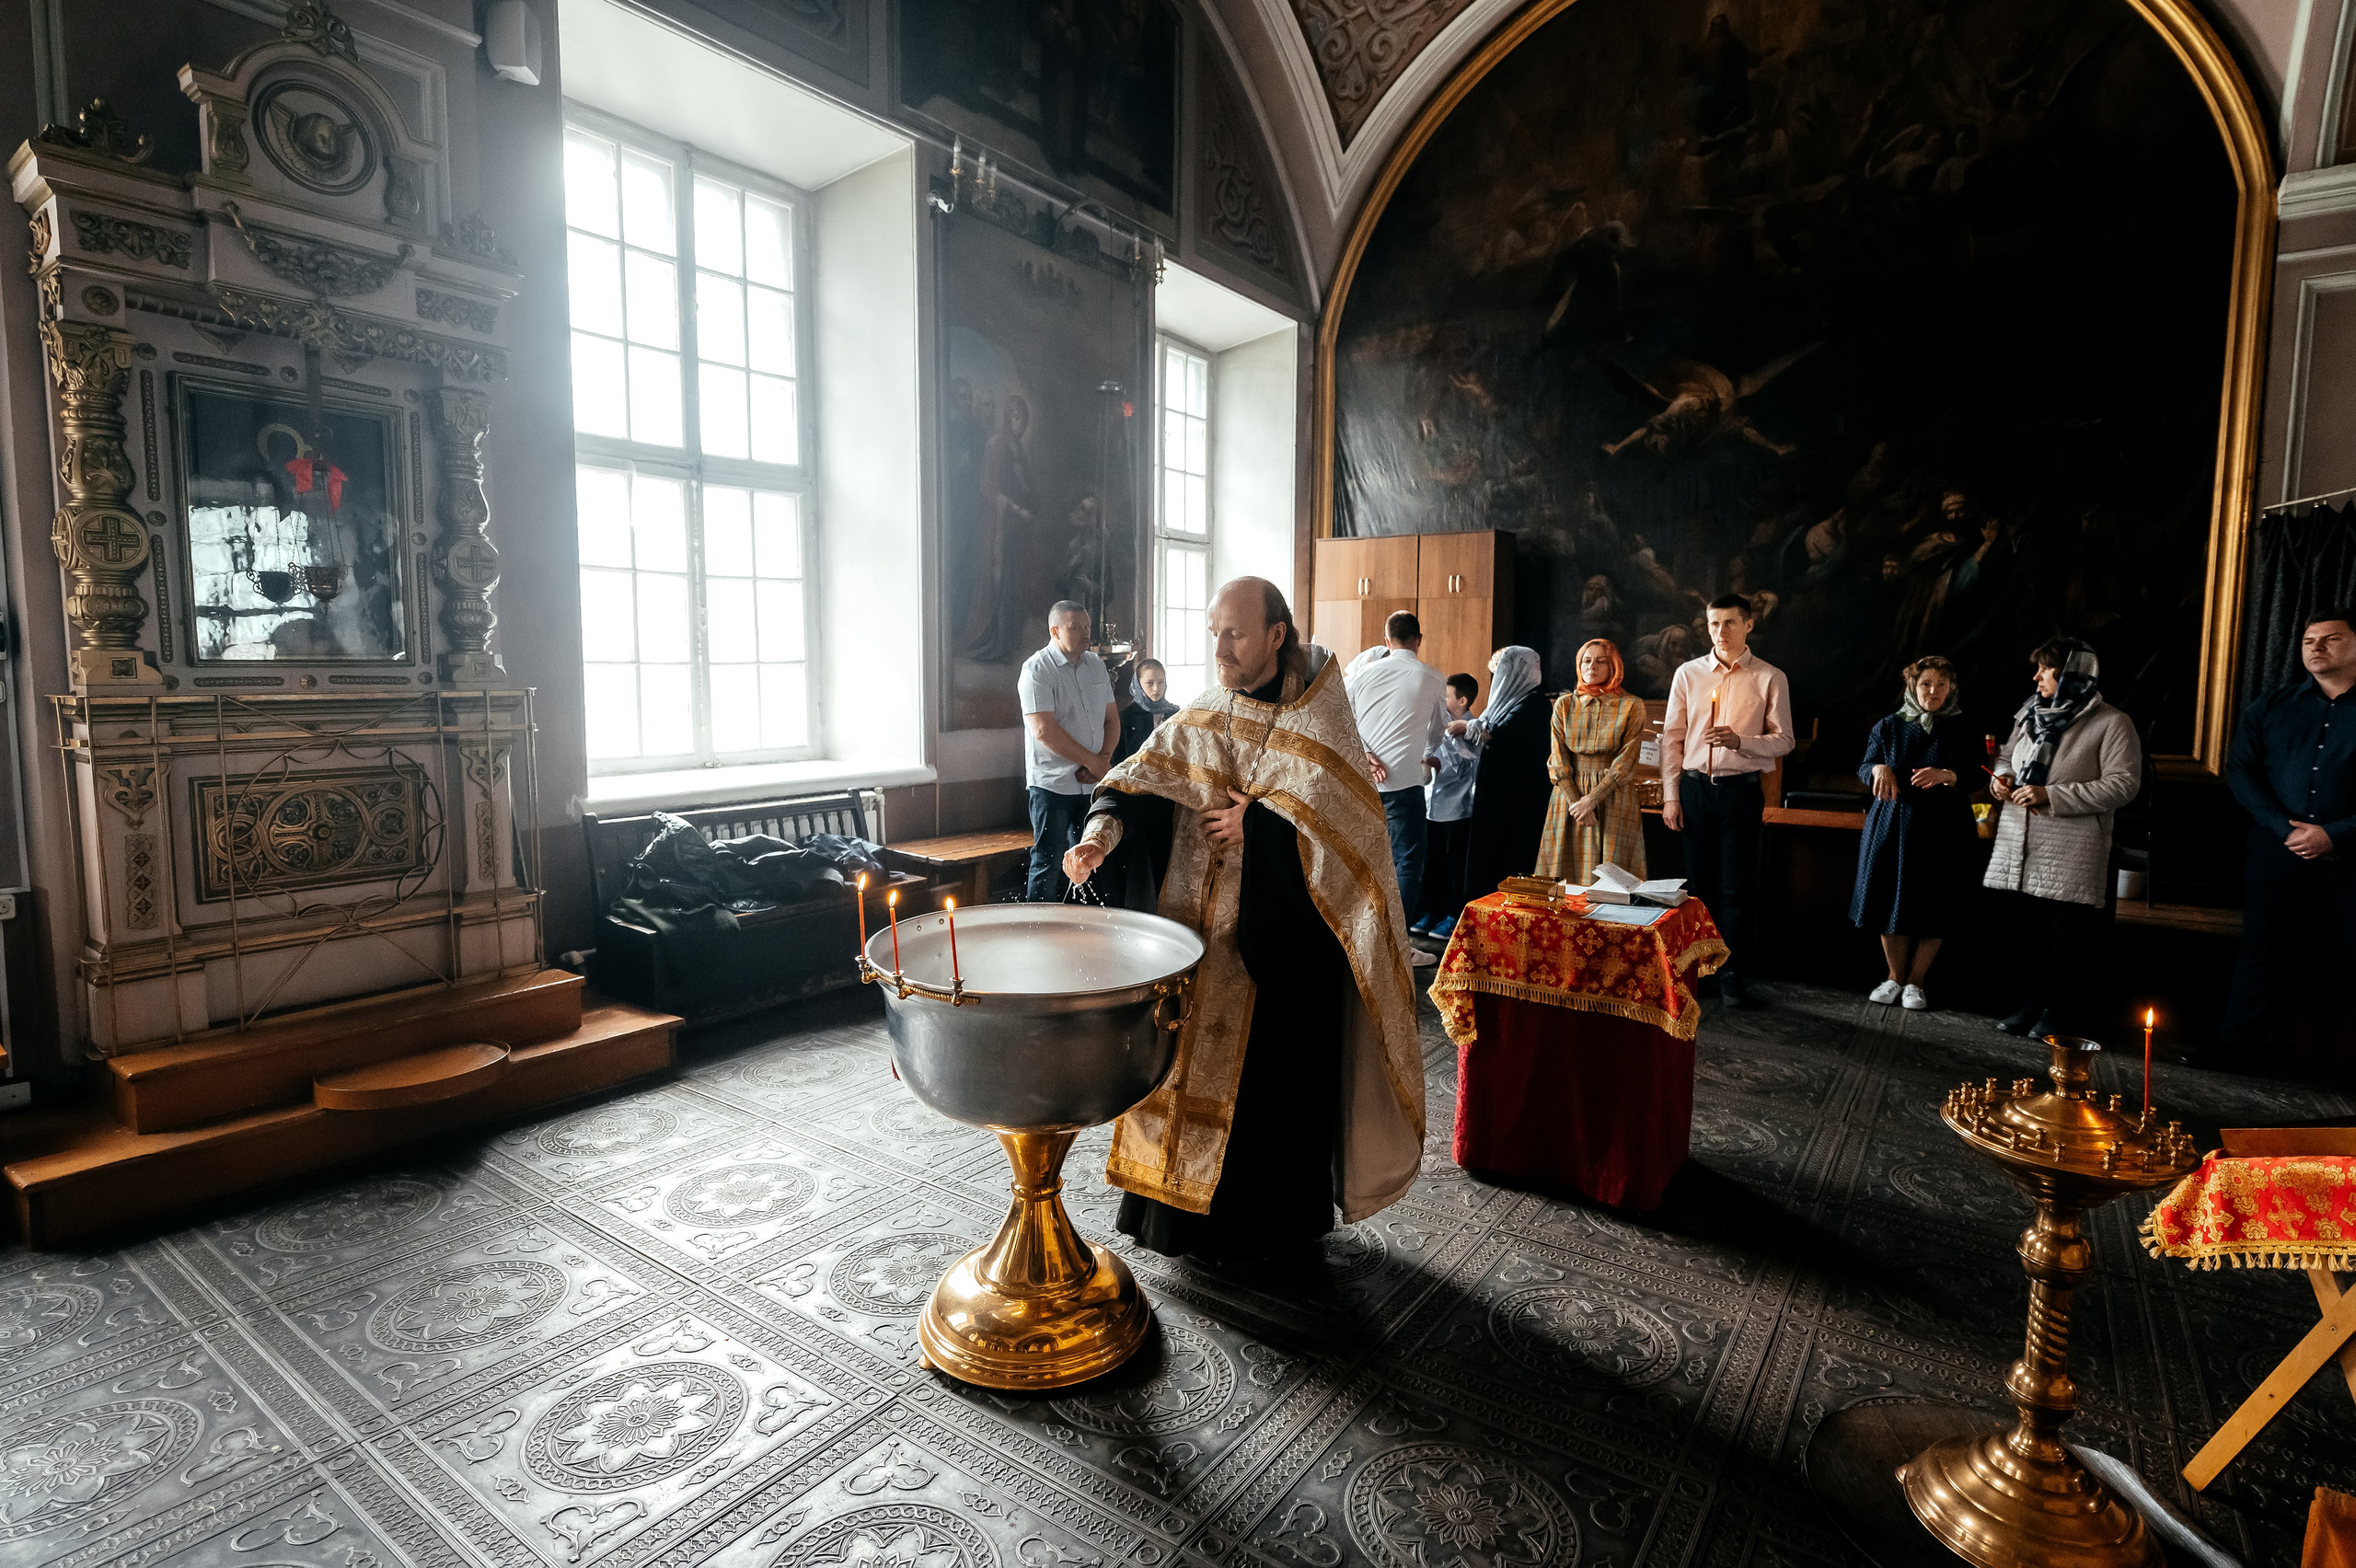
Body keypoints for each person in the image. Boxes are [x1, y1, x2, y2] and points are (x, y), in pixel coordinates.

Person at [1062, 578, 1425, 1267]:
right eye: (1213, 632)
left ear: (1276, 635)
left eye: (1233, 633)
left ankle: (1262, 1233)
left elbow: (1352, 838)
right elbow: (1138, 784)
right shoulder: (1206, 708)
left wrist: (1257, 827)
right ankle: (1173, 1221)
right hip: (1194, 950)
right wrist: (1100, 837)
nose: (1219, 648)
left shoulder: (1323, 724)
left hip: (1275, 953)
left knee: (1269, 1098)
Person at [1982, 637, 2142, 1037]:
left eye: (2045, 669)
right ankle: (2030, 1007)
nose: (2036, 676)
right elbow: (2006, 756)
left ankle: (2059, 1013)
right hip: (2019, 842)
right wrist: (2002, 780)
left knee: (2065, 939)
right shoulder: (2028, 714)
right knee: (2027, 935)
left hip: (2071, 848)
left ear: (2072, 674)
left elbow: (2124, 785)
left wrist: (2050, 795)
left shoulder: (2112, 722)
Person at [2216, 607, 2356, 1063]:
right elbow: (2240, 769)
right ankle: (2237, 1051)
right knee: (2260, 949)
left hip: (2352, 853)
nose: (2315, 647)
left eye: (2330, 639)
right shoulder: (2272, 705)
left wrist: (2334, 834)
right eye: (2308, 641)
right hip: (2277, 848)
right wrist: (2284, 827)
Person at [1660, 594, 1793, 1008]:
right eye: (1714, 624)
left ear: (1748, 625)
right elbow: (1672, 738)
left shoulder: (1770, 677)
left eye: (1730, 623)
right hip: (1696, 789)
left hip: (1740, 791)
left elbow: (1784, 740)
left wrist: (1741, 741)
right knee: (1698, 889)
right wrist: (1671, 796)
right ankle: (1698, 971)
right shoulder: (1689, 673)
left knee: (1735, 889)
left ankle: (1732, 973)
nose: (1720, 631)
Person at [1850, 655, 1978, 1010]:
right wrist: (1877, 769)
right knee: (1892, 897)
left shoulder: (1963, 726)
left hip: (1945, 827)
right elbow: (1863, 765)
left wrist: (1947, 775)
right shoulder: (1889, 725)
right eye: (1925, 684)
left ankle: (1916, 982)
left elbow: (1977, 774)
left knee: (1937, 899)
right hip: (1893, 824)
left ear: (1951, 687)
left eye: (1941, 684)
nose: (1933, 691)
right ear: (1912, 686)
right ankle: (1893, 977)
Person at [1345, 611, 1449, 966]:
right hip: (1404, 784)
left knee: (1363, 860)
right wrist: (1428, 753)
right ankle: (1395, 945)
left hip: (1361, 781)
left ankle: (1360, 938)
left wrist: (1366, 751)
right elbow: (1438, 732)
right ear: (1418, 639)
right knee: (1406, 862)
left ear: (1386, 640)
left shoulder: (1362, 674)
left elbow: (1340, 719)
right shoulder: (1433, 677)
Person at [1019, 601, 1116, 902]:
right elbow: (1044, 730)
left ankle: (1086, 930)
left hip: (1091, 783)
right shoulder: (1037, 669)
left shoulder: (1096, 665)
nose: (1086, 633)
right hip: (1052, 784)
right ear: (1055, 631)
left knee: (1089, 860)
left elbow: (1111, 719)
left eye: (1087, 627)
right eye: (1077, 628)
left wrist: (1103, 760)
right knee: (1048, 862)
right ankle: (1038, 933)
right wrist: (1095, 762)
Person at [1536, 639, 1647, 885]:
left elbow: (1626, 760)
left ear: (1614, 666)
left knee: (1613, 875)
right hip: (1569, 796)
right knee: (1561, 875)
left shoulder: (1631, 705)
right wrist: (1577, 802)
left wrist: (1593, 799)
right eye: (1586, 661)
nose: (1591, 667)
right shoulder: (1565, 705)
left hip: (1613, 794)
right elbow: (1558, 757)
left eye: (1600, 661)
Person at [1459, 647, 1555, 902]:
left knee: (1510, 858)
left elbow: (1500, 736)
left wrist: (1467, 725)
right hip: (1499, 795)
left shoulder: (1534, 704)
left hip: (1518, 800)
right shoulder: (1512, 702)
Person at [1415, 673, 1480, 939]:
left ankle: (1452, 916)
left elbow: (1465, 765)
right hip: (1432, 804)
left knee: (1454, 867)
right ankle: (1430, 911)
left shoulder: (1473, 727)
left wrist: (1437, 755)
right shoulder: (1439, 721)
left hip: (1458, 808)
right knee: (1431, 863)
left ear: (1462, 701)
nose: (1441, 701)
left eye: (1446, 696)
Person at [1111, 657, 1181, 766]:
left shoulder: (1175, 714)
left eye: (1161, 682)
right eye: (1150, 683)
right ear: (1138, 684)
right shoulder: (1126, 717)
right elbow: (1117, 760)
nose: (1156, 689)